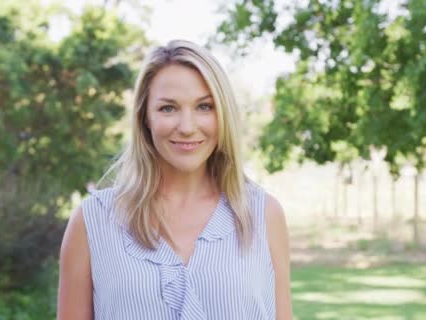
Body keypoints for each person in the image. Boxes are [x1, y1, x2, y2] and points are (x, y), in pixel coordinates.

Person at [57, 40, 292, 320]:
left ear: (223, 114)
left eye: (204, 107)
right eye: (168, 108)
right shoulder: (92, 221)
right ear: (145, 117)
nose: (187, 127)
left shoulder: (263, 215)